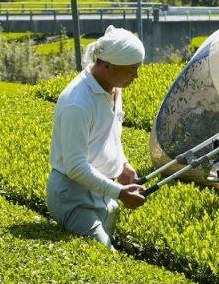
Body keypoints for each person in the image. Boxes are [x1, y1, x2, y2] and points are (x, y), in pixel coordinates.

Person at [47, 26, 148, 247]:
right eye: (131, 69)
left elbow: (111, 133)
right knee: (104, 253)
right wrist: (119, 192)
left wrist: (123, 164)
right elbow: (75, 167)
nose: (136, 75)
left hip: (103, 193)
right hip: (74, 198)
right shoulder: (78, 102)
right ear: (108, 66)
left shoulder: (113, 88)